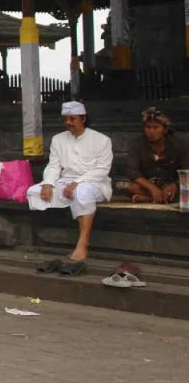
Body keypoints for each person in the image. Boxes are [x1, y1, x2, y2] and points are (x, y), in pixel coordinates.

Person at [28, 101, 113, 276]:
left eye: (72, 119)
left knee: (80, 192)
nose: (68, 123)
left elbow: (102, 170)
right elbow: (53, 166)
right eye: (65, 119)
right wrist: (48, 183)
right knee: (34, 192)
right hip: (65, 182)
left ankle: (83, 243)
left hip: (94, 182)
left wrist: (79, 182)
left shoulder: (101, 140)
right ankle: (47, 240)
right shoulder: (58, 139)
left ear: (83, 118)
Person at [128, 107, 186, 203]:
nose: (151, 131)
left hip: (170, 184)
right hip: (147, 184)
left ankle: (149, 199)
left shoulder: (178, 145)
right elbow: (132, 171)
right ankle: (157, 198)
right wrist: (152, 187)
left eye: (155, 128)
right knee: (130, 187)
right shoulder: (137, 144)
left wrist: (174, 186)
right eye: (148, 127)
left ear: (165, 129)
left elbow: (186, 171)